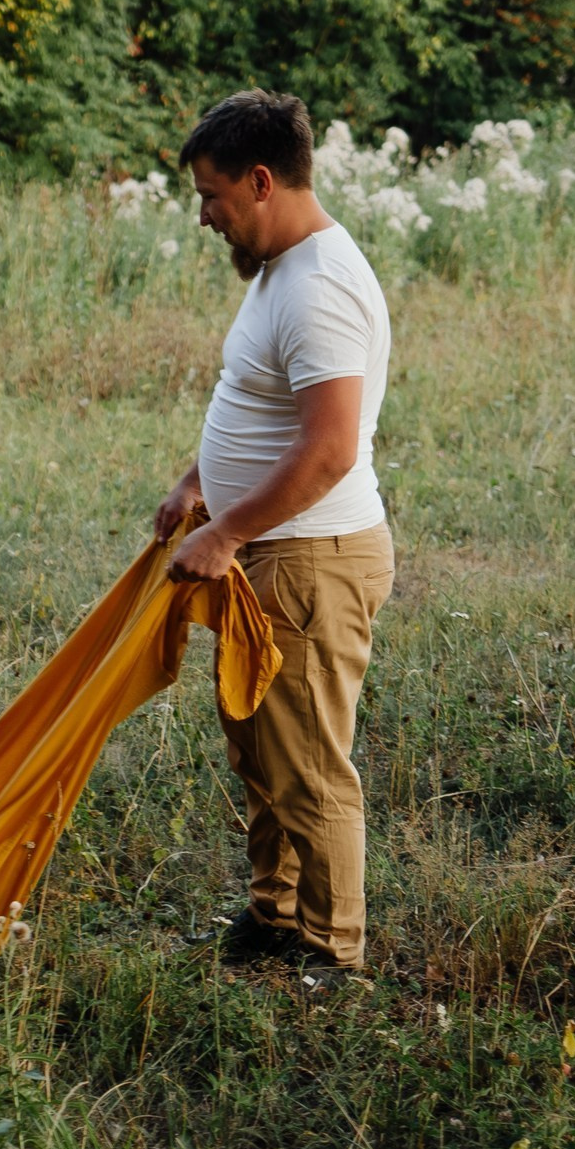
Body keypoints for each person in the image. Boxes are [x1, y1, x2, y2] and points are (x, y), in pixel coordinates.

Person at [157, 90, 394, 974]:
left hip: (310, 560)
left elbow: (329, 449)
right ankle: (277, 914)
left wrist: (228, 532)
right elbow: (257, 405)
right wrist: (198, 482)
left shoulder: (322, 284)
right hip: (268, 551)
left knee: (309, 766)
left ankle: (335, 956)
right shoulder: (278, 269)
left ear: (262, 181)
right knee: (260, 747)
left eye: (214, 196)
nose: (208, 217)